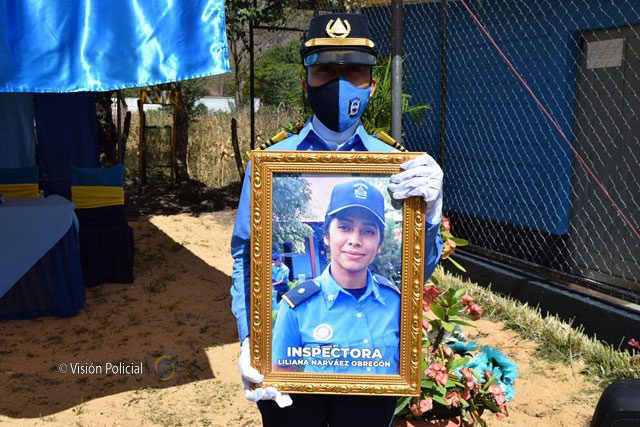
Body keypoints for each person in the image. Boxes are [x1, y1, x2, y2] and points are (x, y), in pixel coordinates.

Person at [230, 12, 444, 427]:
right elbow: (245, 256)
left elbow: (416, 273)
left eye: (354, 72)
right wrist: (250, 338)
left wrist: (431, 214)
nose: (340, 83)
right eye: (326, 70)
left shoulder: (397, 167)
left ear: (372, 84)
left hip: (371, 375)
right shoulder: (273, 163)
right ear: (305, 82)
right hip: (293, 372)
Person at [272, 179, 400, 375]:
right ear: (326, 235)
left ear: (379, 244)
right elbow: (281, 377)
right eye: (345, 227)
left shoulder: (395, 302)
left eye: (368, 231)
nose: (355, 240)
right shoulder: (296, 307)